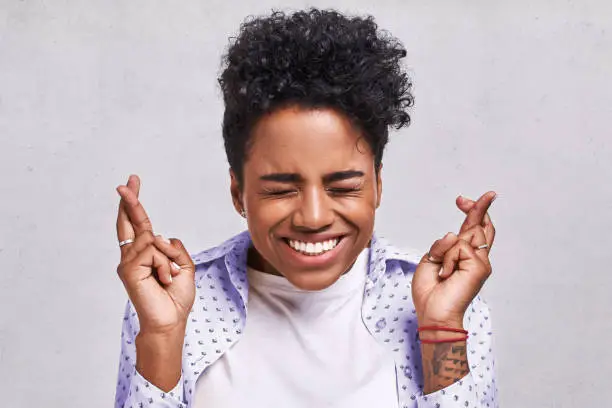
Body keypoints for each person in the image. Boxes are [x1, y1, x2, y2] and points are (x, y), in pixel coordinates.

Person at [113, 8, 498, 408]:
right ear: (237, 192)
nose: (313, 217)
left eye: (344, 187)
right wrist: (160, 336)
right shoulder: (175, 301)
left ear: (378, 185)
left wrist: (441, 328)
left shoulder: (446, 299)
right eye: (281, 190)